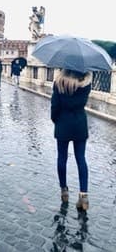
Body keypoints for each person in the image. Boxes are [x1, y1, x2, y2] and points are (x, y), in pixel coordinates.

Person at [51, 69, 92, 210]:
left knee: (62, 158)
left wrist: (55, 120)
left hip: (63, 123)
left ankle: (64, 191)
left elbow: (55, 106)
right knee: (81, 158)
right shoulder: (86, 84)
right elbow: (83, 103)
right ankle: (84, 196)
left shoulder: (59, 83)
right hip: (80, 123)